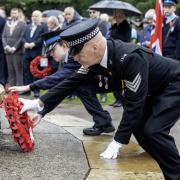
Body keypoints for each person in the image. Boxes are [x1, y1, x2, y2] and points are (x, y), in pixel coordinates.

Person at [16, 18, 180, 179]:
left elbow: (134, 105)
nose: (74, 58)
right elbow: (70, 82)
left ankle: (175, 174)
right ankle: (159, 163)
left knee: (154, 130)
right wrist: (39, 104)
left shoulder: (129, 57)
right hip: (154, 89)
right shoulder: (94, 60)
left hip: (174, 84)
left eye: (77, 52)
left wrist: (117, 141)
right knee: (138, 128)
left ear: (94, 47)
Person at [9, 29, 115, 136]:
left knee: (80, 86)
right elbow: (63, 89)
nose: (51, 54)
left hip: (116, 77)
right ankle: (103, 122)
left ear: (64, 45)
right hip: (105, 79)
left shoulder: (75, 56)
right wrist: (42, 112)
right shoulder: (68, 58)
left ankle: (105, 124)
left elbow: (57, 79)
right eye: (49, 52)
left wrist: (29, 87)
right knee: (78, 86)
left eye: (53, 50)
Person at [2, 8, 26, 86]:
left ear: (18, 14)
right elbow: (3, 36)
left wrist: (14, 48)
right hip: (7, 50)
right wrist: (6, 46)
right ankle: (12, 89)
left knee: (18, 71)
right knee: (10, 71)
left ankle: (19, 89)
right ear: (10, 14)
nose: (13, 15)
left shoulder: (22, 24)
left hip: (17, 51)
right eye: (12, 13)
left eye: (15, 13)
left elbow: (21, 37)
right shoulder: (7, 23)